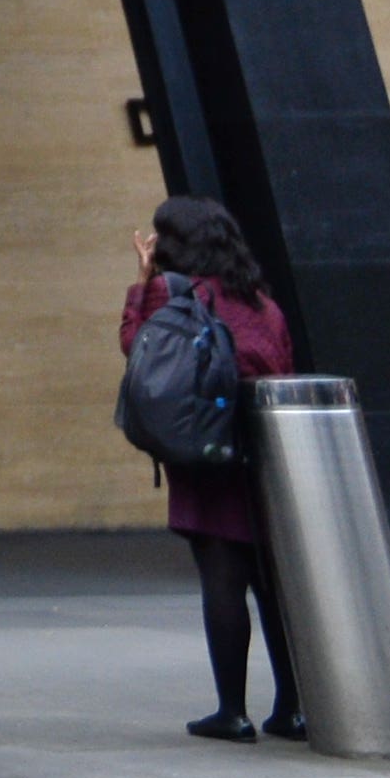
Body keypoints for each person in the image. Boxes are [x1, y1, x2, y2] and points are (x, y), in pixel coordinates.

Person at [123, 194, 304, 743]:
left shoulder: (176, 297)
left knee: (223, 580)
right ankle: (292, 708)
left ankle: (232, 710)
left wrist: (142, 280)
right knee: (273, 585)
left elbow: (138, 348)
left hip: (208, 456)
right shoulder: (262, 304)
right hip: (267, 458)